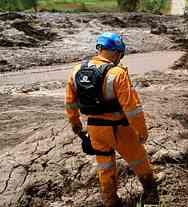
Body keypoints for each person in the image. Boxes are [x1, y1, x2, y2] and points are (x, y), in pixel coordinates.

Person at [65, 32, 158, 207]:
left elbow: (70, 104)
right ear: (117, 52)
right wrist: (141, 131)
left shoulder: (76, 70)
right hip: (120, 128)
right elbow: (132, 109)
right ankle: (151, 191)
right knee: (139, 159)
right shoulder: (117, 73)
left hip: (95, 130)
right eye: (120, 54)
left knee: (105, 167)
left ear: (99, 49)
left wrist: (77, 127)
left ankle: (110, 201)